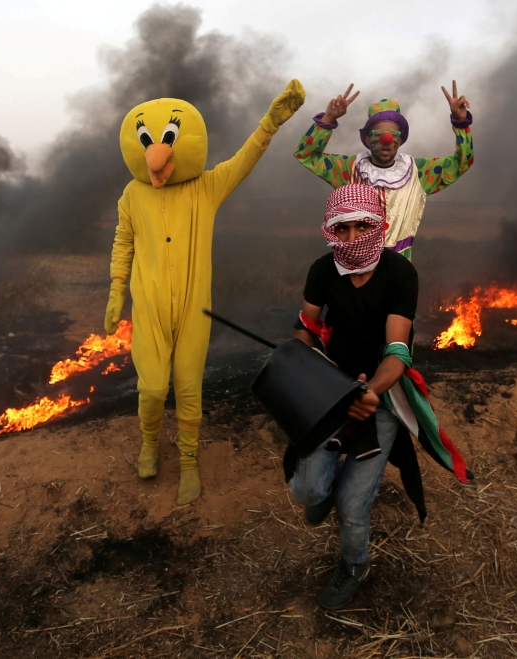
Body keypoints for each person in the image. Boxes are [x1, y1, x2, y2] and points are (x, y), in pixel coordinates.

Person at [105, 81, 306, 505]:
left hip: (195, 309)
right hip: (150, 309)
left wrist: (269, 125)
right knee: (154, 387)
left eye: (167, 138)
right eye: (147, 140)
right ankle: (149, 442)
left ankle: (190, 463)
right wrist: (115, 290)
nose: (157, 149)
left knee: (189, 386)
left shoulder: (206, 188)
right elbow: (124, 241)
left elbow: (242, 162)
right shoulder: (132, 195)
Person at [286, 183, 470, 610]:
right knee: (309, 492)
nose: (352, 238)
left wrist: (370, 391)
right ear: (330, 230)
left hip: (383, 395)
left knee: (353, 504)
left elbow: (397, 350)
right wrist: (306, 366)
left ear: (380, 224)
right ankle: (324, 488)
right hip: (331, 389)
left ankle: (354, 565)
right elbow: (305, 329)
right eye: (342, 228)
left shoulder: (399, 273)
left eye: (363, 226)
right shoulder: (321, 270)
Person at [293, 82, 474, 261]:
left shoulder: (418, 171)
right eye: (378, 136)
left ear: (400, 140)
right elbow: (306, 155)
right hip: (354, 265)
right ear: (367, 140)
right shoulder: (348, 168)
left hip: (399, 268)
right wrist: (329, 118)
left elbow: (462, 162)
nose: (386, 140)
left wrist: (460, 123)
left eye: (393, 135)